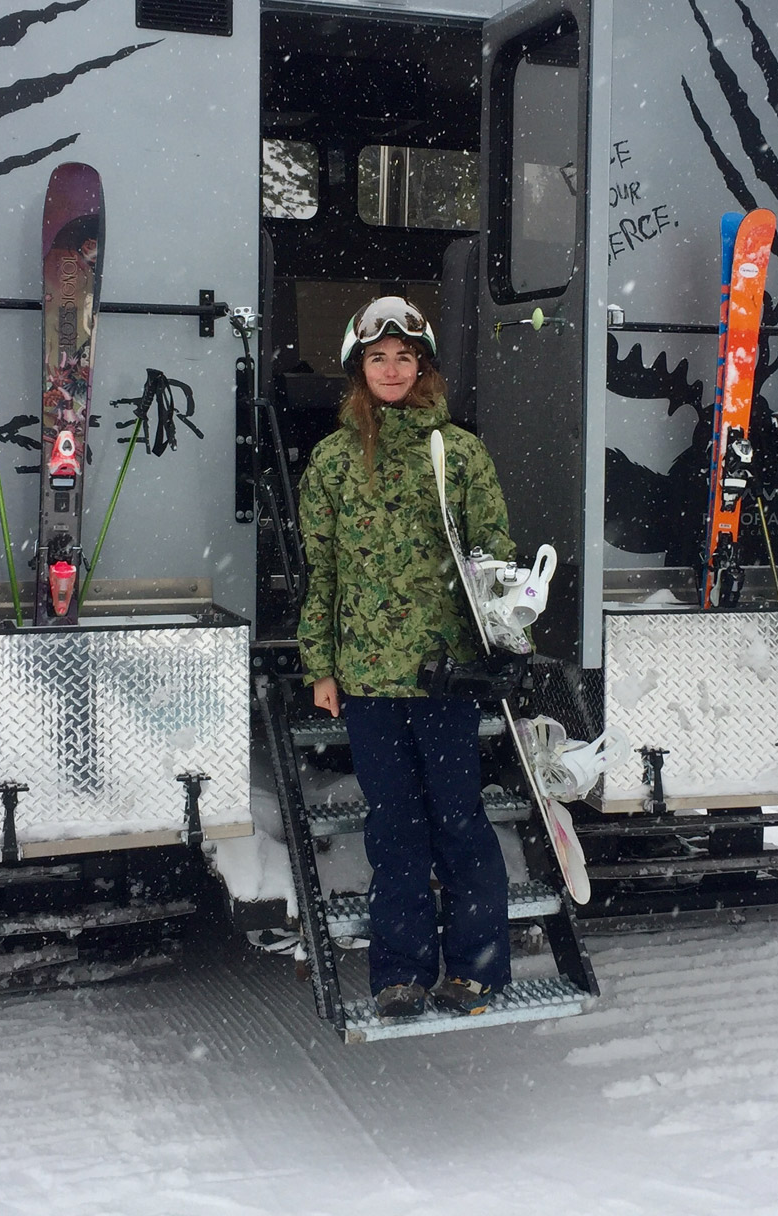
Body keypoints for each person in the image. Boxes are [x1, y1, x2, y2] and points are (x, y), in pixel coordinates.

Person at [296, 296, 516, 1021]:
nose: (391, 369)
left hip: (444, 673)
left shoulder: (460, 453)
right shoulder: (331, 462)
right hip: (366, 679)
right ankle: (401, 974)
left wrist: (509, 637)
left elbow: (494, 558)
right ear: (360, 370)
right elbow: (321, 573)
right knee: (393, 829)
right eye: (377, 357)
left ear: (422, 367)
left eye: (404, 357)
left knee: (458, 820)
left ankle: (478, 967)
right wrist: (320, 665)